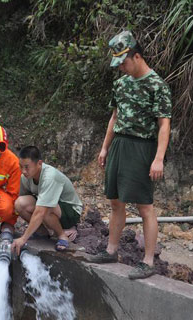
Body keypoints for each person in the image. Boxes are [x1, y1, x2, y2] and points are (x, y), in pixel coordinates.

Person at [96, 30, 172, 279]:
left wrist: (158, 158)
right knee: (116, 201)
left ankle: (148, 262)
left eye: (123, 62)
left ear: (136, 56)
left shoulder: (156, 85)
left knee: (144, 206)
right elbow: (114, 117)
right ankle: (111, 250)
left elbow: (164, 124)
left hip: (142, 147)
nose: (121, 68)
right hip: (120, 144)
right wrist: (105, 147)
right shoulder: (120, 84)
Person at [11, 146, 83, 255]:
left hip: (70, 212)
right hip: (51, 209)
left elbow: (41, 211)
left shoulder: (50, 176)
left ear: (39, 163)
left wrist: (23, 238)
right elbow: (26, 201)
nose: (24, 171)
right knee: (20, 203)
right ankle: (42, 232)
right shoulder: (25, 177)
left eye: (27, 167)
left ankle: (62, 235)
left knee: (46, 208)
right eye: (21, 167)